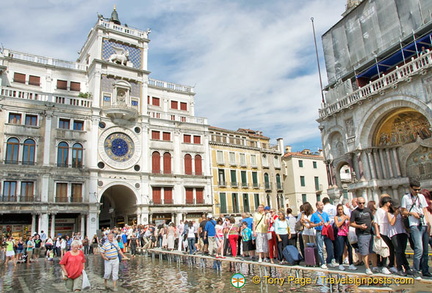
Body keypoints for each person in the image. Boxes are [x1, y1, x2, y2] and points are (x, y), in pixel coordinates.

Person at [401, 179, 431, 279]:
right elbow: (403, 212)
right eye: (415, 190)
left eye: (419, 189)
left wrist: (428, 223)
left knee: (425, 249)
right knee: (419, 248)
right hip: (414, 225)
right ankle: (416, 270)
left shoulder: (421, 197)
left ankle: (425, 270)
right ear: (410, 188)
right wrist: (412, 213)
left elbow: (425, 209)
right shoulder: (406, 197)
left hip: (423, 224)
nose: (417, 191)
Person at [350, 197, 379, 275]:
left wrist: (375, 228)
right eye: (360, 203)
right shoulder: (354, 212)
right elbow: (351, 223)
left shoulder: (368, 210)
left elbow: (372, 219)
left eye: (363, 203)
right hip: (362, 234)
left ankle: (375, 266)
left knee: (373, 251)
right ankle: (367, 267)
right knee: (364, 252)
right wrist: (360, 226)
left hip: (370, 232)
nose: (362, 205)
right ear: (357, 203)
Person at [375, 196, 394, 274]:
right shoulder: (379, 211)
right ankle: (384, 266)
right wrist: (377, 232)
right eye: (389, 202)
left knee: (391, 249)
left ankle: (391, 265)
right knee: (384, 249)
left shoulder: (390, 210)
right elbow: (376, 222)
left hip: (390, 231)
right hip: (383, 231)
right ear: (386, 203)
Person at [310, 201, 332, 269]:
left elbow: (328, 221)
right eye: (320, 205)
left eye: (322, 205)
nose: (322, 206)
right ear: (317, 206)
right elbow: (311, 224)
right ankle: (322, 262)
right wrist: (317, 224)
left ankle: (329, 261)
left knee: (330, 247)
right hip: (319, 232)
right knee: (320, 248)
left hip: (326, 232)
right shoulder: (314, 215)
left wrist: (327, 223)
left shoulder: (325, 214)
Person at [334, 204, 356, 271]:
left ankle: (351, 264)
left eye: (341, 209)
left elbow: (351, 223)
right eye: (339, 209)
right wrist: (343, 219)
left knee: (349, 249)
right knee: (341, 249)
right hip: (340, 234)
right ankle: (340, 264)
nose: (340, 211)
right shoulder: (336, 217)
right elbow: (337, 225)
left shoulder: (346, 216)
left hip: (347, 234)